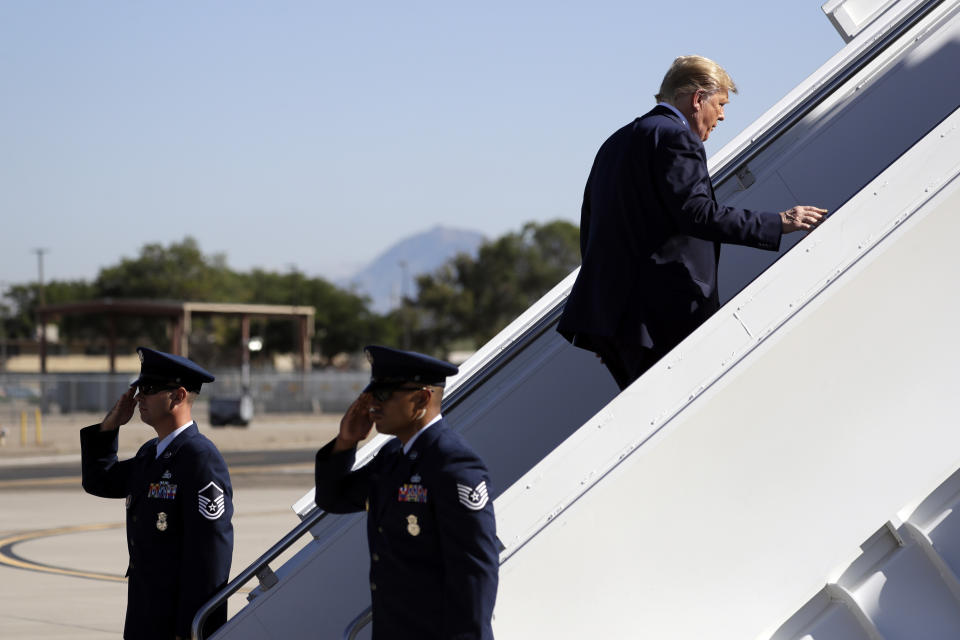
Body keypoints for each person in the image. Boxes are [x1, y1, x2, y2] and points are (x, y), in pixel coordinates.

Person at [557, 55, 828, 390]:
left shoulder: (616, 142)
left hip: (620, 322)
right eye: (721, 103)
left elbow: (594, 228)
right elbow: (697, 214)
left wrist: (611, 317)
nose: (723, 115)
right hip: (664, 319)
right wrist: (779, 222)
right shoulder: (676, 138)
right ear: (698, 99)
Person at [314, 345, 499, 640]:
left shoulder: (452, 463)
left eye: (384, 394)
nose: (372, 404)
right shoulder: (393, 457)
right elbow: (332, 498)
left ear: (422, 398)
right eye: (370, 394)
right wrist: (345, 442)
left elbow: (475, 570)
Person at [81, 347, 233, 640]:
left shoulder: (200, 458)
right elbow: (100, 481)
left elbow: (210, 557)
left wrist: (193, 627)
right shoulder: (152, 453)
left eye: (148, 389)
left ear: (178, 396)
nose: (138, 398)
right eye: (138, 389)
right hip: (145, 615)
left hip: (176, 623)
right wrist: (110, 426)